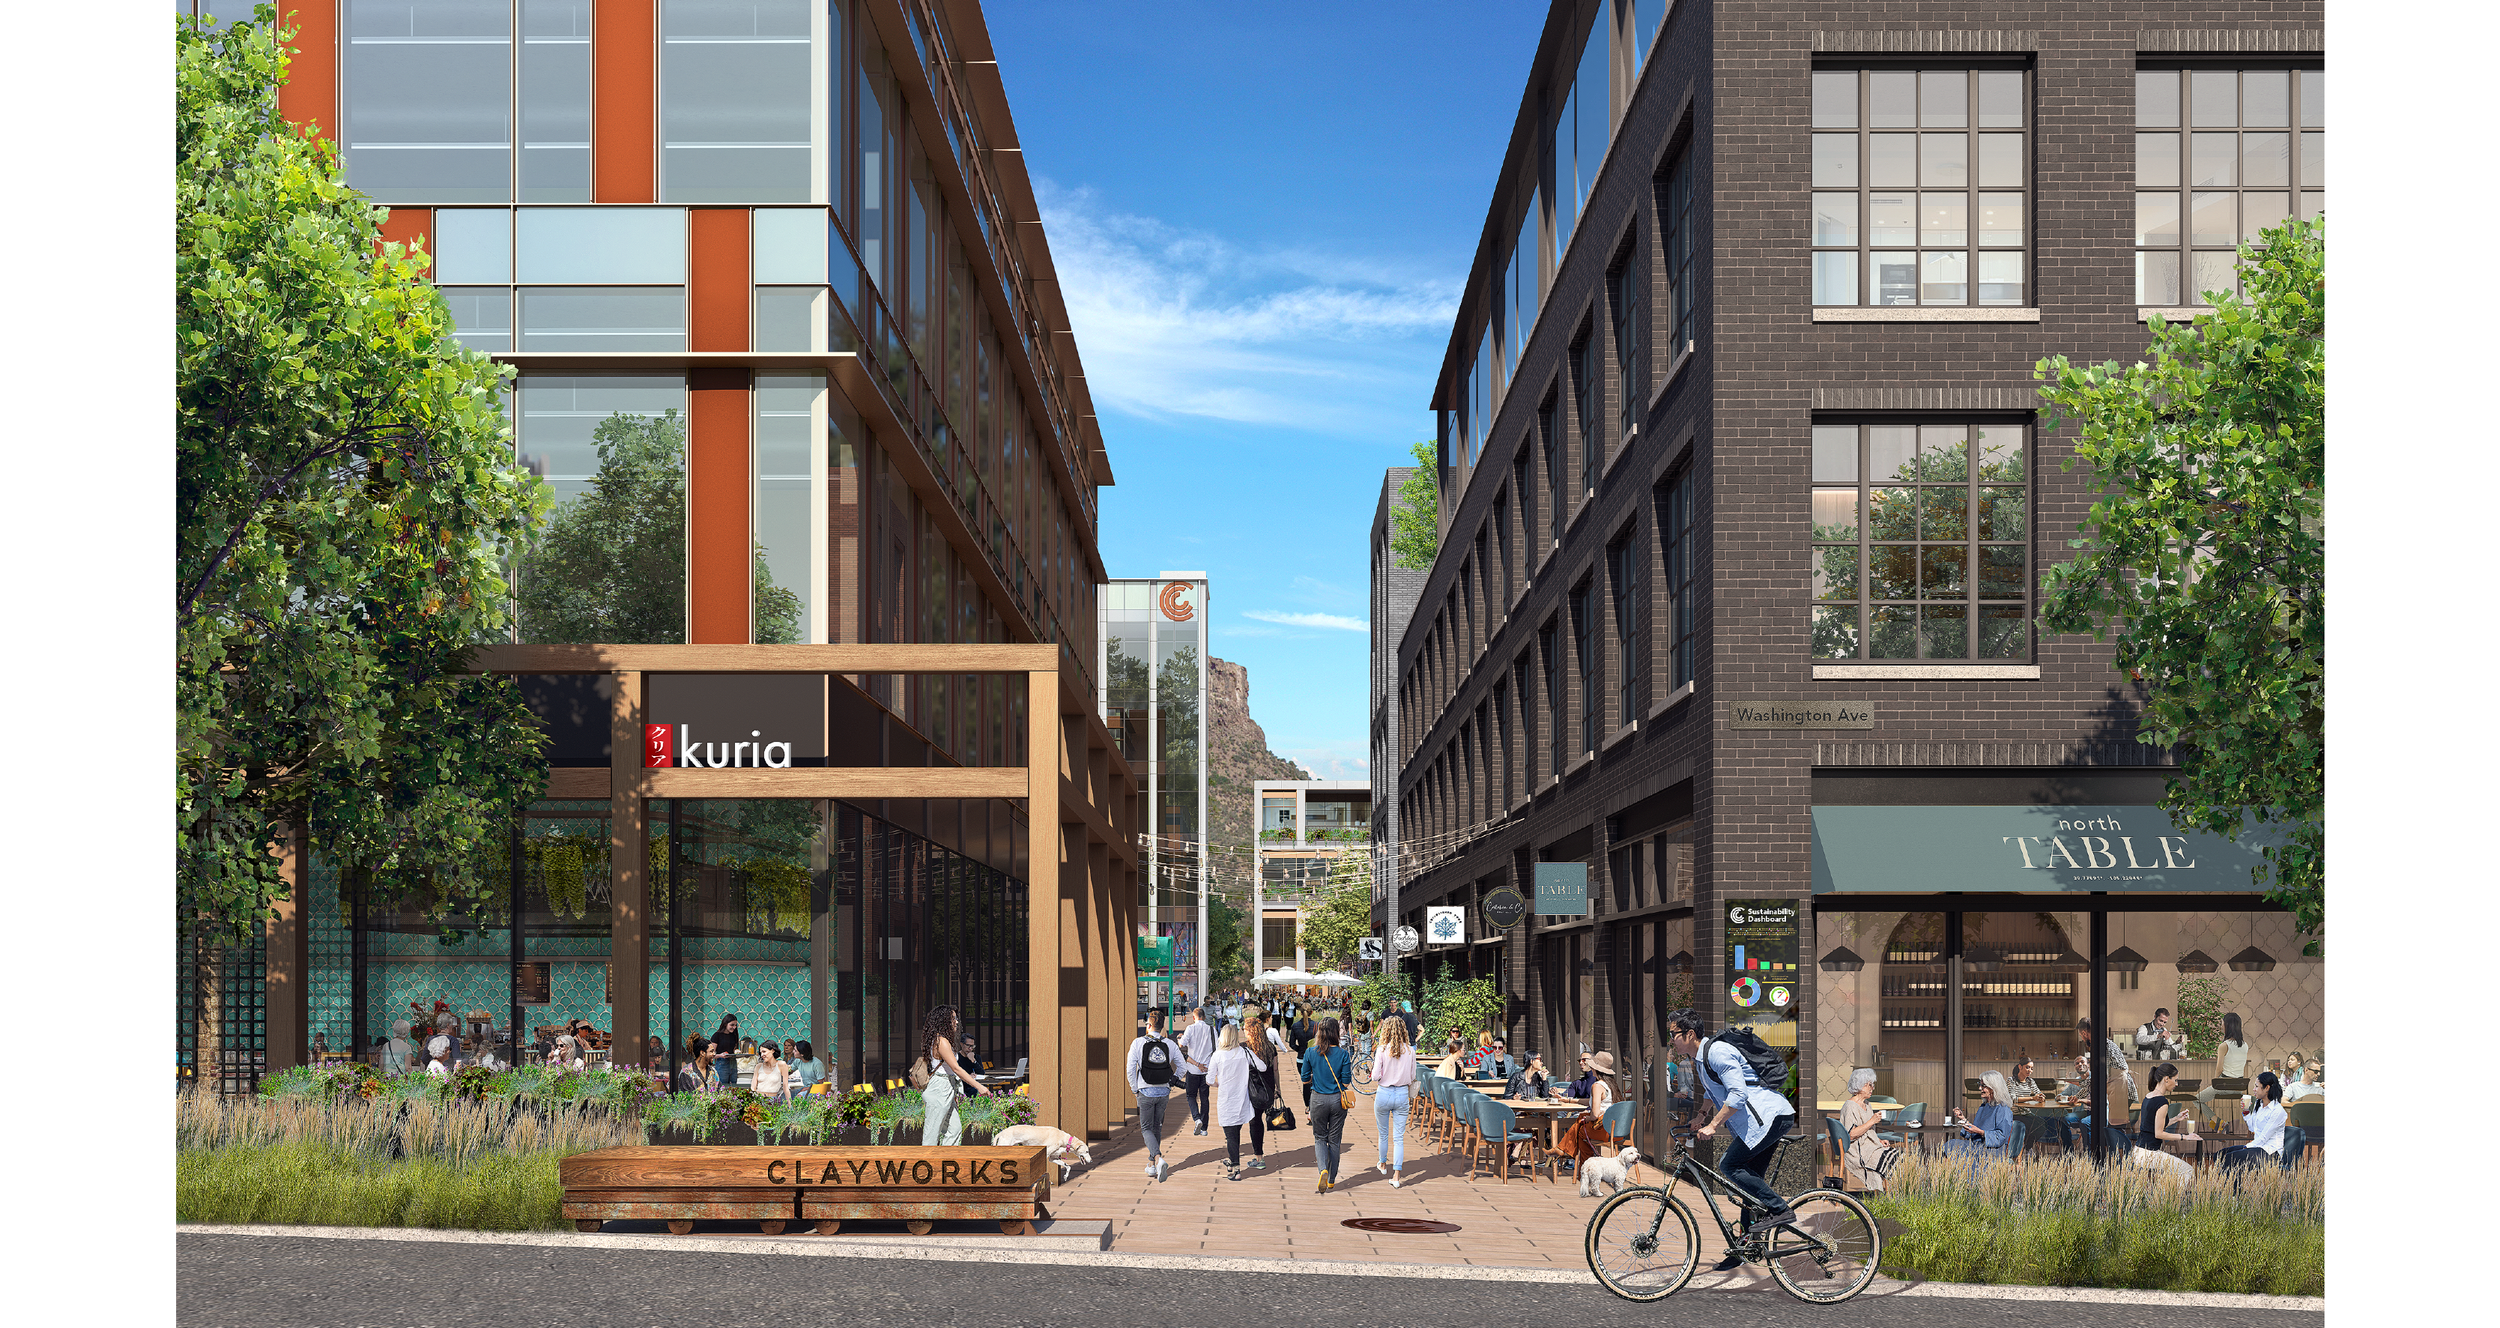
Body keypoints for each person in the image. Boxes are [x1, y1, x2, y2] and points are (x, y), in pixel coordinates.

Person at [1668, 1009, 1798, 1267]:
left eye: (1674, 1034)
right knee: (1749, 1187)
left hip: (1770, 1117)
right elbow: (1711, 1090)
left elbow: (1737, 1094)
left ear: (1690, 1034)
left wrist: (1714, 1125)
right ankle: (1745, 1248)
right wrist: (1702, 1115)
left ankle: (1780, 1210)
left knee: (1729, 1165)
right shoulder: (1701, 1059)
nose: (1671, 1039)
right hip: (1760, 1122)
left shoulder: (1717, 1052)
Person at [917, 1004, 989, 1146]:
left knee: (954, 1130)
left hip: (946, 1086)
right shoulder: (941, 1042)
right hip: (939, 1088)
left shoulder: (943, 1040)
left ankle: (946, 1161)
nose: (956, 1021)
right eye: (953, 1019)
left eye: (956, 1018)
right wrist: (979, 1087)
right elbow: (956, 1068)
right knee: (932, 1133)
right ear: (943, 1021)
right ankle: (926, 1164)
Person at [1127, 1008, 1184, 1182]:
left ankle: (1158, 1159)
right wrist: (1172, 1080)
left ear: (1149, 1025)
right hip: (1164, 1091)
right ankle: (1151, 1166)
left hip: (1145, 1090)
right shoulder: (1170, 1044)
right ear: (1162, 1027)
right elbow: (1183, 1067)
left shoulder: (1138, 1043)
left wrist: (1134, 1089)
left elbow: (1131, 1069)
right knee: (1157, 1126)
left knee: (1145, 1128)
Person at [1207, 1024, 1269, 1181]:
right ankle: (1231, 1160)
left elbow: (1209, 1079)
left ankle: (1235, 1169)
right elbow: (1262, 1067)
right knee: (1235, 1132)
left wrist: (1217, 1084)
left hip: (1226, 1100)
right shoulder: (1244, 1052)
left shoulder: (1217, 1055)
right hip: (1243, 1100)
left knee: (1231, 1135)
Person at [1302, 1017, 1355, 1193]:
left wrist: (1316, 1078)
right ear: (1335, 1033)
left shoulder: (1310, 1052)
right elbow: (1346, 1082)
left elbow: (1304, 1078)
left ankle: (1322, 1169)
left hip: (1317, 1099)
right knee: (1334, 1141)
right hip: (1338, 1101)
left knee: (1319, 1137)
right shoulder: (1343, 1054)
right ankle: (1331, 1180)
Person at [1371, 1013, 1418, 1187]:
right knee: (1398, 1138)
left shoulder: (1382, 1049)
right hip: (1401, 1095)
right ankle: (1397, 1176)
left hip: (1384, 1093)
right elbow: (1412, 1076)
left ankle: (1383, 1164)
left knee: (1383, 1133)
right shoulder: (1410, 1051)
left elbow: (1375, 1076)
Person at [2129, 1062, 2198, 1180]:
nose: (2176, 1084)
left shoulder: (2148, 1096)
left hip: (2138, 1152)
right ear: (2166, 1079)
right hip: (2150, 1154)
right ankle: (2171, 1198)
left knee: (2175, 1172)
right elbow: (2159, 1133)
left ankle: (2166, 1197)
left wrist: (2176, 1118)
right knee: (2187, 1170)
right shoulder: (2162, 1102)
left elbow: (2152, 1126)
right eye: (2175, 1080)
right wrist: (2185, 1137)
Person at [1555, 1052, 1621, 1167]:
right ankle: (1564, 1152)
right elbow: (1591, 1101)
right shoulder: (1611, 1085)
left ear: (1595, 1068)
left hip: (1603, 1130)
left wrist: (1587, 1118)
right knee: (1581, 1120)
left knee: (1580, 1129)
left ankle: (1582, 1166)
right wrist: (1569, 1100)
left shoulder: (1597, 1086)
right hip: (1616, 1130)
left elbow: (1595, 1115)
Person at [2219, 1073, 2287, 1172]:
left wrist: (2246, 1147)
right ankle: (2228, 1184)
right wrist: (2246, 1111)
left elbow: (2264, 1138)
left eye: (2256, 1086)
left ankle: (2233, 1187)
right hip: (2257, 1147)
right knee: (2220, 1155)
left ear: (2267, 1088)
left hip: (2271, 1152)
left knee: (2231, 1157)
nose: (2254, 1089)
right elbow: (2252, 1128)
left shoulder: (2277, 1111)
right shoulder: (2259, 1104)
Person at [1839, 1068, 1892, 1191]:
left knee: (1897, 1156)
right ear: (1859, 1086)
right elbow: (1851, 1135)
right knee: (1891, 1161)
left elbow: (1868, 1131)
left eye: (1872, 1085)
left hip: (1871, 1147)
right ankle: (1883, 1197)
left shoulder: (1867, 1105)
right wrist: (1872, 1121)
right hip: (1858, 1152)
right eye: (1869, 1085)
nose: (1872, 1088)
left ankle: (1892, 1198)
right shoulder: (1850, 1106)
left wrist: (1878, 1140)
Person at [1944, 1071, 2014, 1158]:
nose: (1980, 1088)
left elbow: (2001, 1137)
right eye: (1980, 1085)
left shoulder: (2003, 1109)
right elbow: (1974, 1133)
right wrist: (1963, 1119)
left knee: (1952, 1148)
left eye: (1983, 1086)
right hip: (1976, 1146)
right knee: (1950, 1145)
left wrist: (1980, 1132)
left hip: (1990, 1151)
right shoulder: (1984, 1106)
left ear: (1994, 1088)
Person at [1178, 1007, 1216, 1137]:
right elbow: (1216, 1048)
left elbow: (1181, 1045)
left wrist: (1179, 1038)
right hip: (1207, 1069)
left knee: (1191, 1096)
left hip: (1193, 1069)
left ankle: (1197, 1119)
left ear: (1194, 1017)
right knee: (1205, 1098)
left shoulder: (1190, 1028)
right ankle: (1204, 1128)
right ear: (1204, 1017)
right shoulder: (1212, 1029)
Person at [708, 1014, 743, 1091]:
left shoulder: (734, 1035)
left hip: (733, 1063)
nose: (734, 1027)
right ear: (725, 1024)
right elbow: (710, 1054)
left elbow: (734, 1051)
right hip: (722, 1064)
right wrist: (720, 1055)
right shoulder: (717, 1035)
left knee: (734, 1088)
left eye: (735, 1025)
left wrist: (740, 1054)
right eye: (732, 1025)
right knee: (722, 1088)